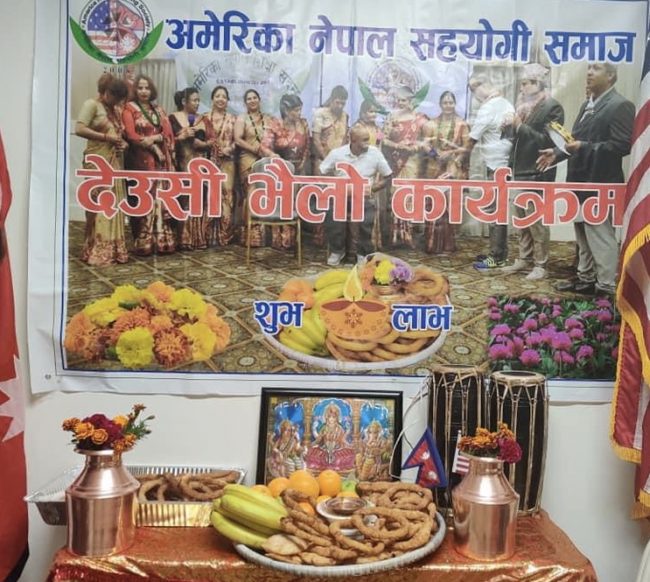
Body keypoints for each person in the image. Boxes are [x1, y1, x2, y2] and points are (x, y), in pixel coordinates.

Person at [537, 63, 634, 295]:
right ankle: (586, 279)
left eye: (596, 69)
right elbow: (575, 141)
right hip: (580, 181)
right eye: (588, 68)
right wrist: (557, 153)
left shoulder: (620, 105)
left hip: (601, 183)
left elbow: (622, 146)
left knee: (600, 235)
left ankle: (606, 286)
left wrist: (584, 146)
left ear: (610, 76)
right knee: (582, 232)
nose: (589, 72)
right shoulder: (587, 105)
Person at [500, 64, 564, 281]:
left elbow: (548, 142)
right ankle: (524, 258)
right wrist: (507, 127)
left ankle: (540, 264)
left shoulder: (553, 107)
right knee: (521, 220)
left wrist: (519, 126)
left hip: (537, 172)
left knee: (536, 221)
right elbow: (515, 140)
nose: (522, 87)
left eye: (526, 83)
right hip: (519, 171)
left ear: (538, 83)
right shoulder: (523, 107)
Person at [74, 73, 130, 266]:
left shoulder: (114, 110)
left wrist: (122, 144)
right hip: (97, 161)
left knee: (113, 202)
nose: (116, 102)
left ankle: (113, 248)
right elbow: (79, 129)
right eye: (114, 97)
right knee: (98, 203)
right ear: (106, 92)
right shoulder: (91, 105)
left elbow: (119, 136)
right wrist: (106, 138)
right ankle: (96, 249)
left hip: (114, 161)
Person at [320, 125, 393, 266]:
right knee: (332, 213)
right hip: (341, 196)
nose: (368, 143)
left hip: (363, 196)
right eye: (364, 140)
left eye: (368, 139)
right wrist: (332, 187)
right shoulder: (337, 154)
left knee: (366, 218)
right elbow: (322, 172)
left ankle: (362, 253)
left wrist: (371, 189)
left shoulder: (375, 153)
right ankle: (337, 250)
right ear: (353, 140)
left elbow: (388, 176)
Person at [122, 74, 176, 256]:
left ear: (152, 90)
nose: (144, 91)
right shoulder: (129, 109)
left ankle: (161, 242)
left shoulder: (159, 109)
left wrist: (154, 139)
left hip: (159, 163)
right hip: (139, 160)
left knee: (159, 197)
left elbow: (168, 134)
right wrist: (153, 146)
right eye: (140, 88)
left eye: (147, 88)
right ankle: (143, 242)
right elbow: (131, 135)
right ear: (135, 90)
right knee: (143, 198)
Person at [467, 74, 515, 270]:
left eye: (476, 87)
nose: (475, 93)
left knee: (496, 212)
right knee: (497, 211)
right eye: (472, 89)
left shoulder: (488, 107)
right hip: (504, 165)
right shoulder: (505, 103)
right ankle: (498, 252)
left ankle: (497, 257)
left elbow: (472, 139)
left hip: (497, 167)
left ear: (487, 84)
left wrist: (459, 157)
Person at [421, 90, 471, 254]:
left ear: (454, 104)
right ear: (440, 104)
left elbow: (466, 148)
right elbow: (425, 144)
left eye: (451, 102)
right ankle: (431, 242)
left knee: (449, 204)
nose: (448, 105)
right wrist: (435, 155)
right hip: (434, 167)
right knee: (433, 202)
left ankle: (447, 243)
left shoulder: (462, 124)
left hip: (452, 168)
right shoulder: (431, 124)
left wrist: (453, 156)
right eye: (445, 103)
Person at [381, 85, 428, 248]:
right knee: (396, 195)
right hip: (396, 160)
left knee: (409, 196)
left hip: (412, 162)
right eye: (399, 100)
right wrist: (399, 146)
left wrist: (415, 147)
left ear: (411, 100)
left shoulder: (420, 118)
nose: (401, 103)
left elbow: (427, 141)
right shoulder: (392, 117)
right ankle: (395, 235)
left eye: (404, 100)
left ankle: (408, 234)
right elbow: (383, 139)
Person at [169, 87, 213, 250]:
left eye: (198, 100)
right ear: (184, 101)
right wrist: (182, 136)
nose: (197, 103)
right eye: (194, 100)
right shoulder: (173, 118)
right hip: (182, 165)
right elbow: (167, 140)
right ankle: (183, 238)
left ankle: (198, 238)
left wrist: (202, 144)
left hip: (200, 166)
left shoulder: (204, 120)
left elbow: (213, 141)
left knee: (199, 198)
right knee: (184, 198)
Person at [233, 89, 277, 248]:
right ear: (245, 102)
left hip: (266, 160)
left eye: (254, 98)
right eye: (249, 99)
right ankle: (251, 235)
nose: (252, 100)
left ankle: (265, 235)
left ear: (259, 100)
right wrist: (255, 150)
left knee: (266, 193)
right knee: (251, 193)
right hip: (248, 159)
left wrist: (268, 153)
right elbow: (237, 140)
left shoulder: (269, 118)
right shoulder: (242, 118)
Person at [269, 93, 310, 250]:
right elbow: (264, 146)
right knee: (281, 204)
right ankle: (280, 240)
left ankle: (294, 240)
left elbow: (307, 146)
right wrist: (274, 156)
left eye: (300, 110)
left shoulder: (303, 124)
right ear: (286, 110)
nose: (298, 113)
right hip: (280, 171)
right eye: (295, 110)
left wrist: (303, 163)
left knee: (296, 203)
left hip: (298, 170)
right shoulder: (275, 124)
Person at [206, 85, 237, 246]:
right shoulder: (204, 118)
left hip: (227, 162)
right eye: (217, 96)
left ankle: (225, 234)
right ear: (212, 99)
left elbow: (237, 141)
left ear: (228, 100)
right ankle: (208, 234)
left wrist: (228, 149)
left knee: (227, 195)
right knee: (209, 195)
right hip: (208, 161)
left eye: (224, 96)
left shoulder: (233, 119)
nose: (220, 99)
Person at [353, 100, 384, 249]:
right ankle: (357, 244)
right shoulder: (357, 128)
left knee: (373, 205)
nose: (373, 114)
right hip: (361, 170)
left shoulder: (378, 128)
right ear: (363, 112)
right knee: (360, 206)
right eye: (370, 111)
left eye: (375, 111)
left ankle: (372, 242)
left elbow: (380, 147)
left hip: (375, 170)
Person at [305, 402, 356, 472]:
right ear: (326, 417)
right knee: (312, 454)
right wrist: (311, 444)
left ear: (337, 418)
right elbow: (318, 440)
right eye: (329, 417)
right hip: (325, 449)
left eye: (333, 417)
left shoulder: (339, 428)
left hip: (337, 449)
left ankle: (333, 463)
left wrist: (350, 444)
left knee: (348, 455)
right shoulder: (324, 428)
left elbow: (343, 440)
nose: (331, 419)